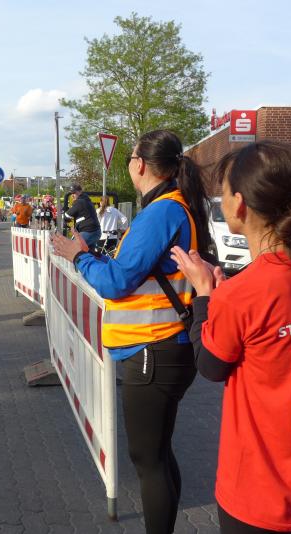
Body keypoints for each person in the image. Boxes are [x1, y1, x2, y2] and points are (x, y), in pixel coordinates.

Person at [171, 141, 291, 534]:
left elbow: (211, 365)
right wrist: (225, 300)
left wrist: (204, 297)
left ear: (239, 205)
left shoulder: (244, 295)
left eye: (223, 191)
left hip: (263, 499)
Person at [51, 130, 213, 534]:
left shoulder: (161, 212)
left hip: (153, 350)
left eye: (130, 159)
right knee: (158, 454)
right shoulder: (175, 206)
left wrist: (79, 257)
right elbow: (137, 271)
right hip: (164, 347)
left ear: (139, 164)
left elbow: (116, 282)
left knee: (148, 460)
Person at [64, 184, 101, 249]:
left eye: (74, 193)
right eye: (71, 193)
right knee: (89, 252)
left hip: (88, 232)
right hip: (96, 232)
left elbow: (67, 215)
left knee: (72, 249)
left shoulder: (79, 201)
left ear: (80, 191)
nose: (72, 195)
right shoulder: (87, 200)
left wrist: (66, 219)